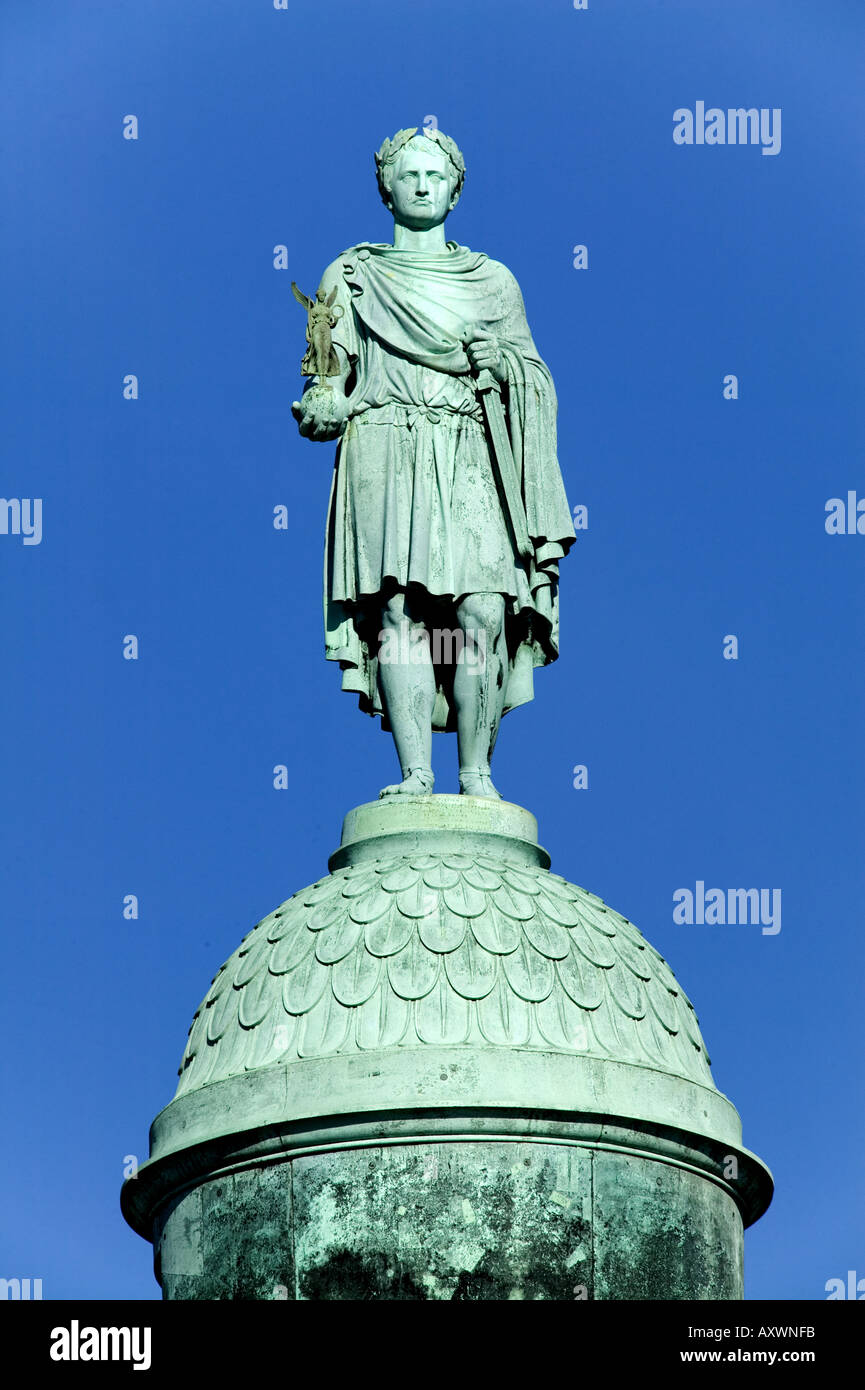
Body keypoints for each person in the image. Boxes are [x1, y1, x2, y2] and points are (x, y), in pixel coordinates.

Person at [291, 126, 575, 799]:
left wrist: (498, 363)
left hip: (470, 444)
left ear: (454, 190)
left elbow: (533, 376)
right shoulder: (353, 276)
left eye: (434, 176)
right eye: (409, 175)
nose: (422, 185)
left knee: (483, 609)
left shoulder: (492, 281)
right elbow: (327, 374)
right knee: (398, 611)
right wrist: (323, 403)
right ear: (385, 187)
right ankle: (416, 773)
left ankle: (476, 774)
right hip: (385, 442)